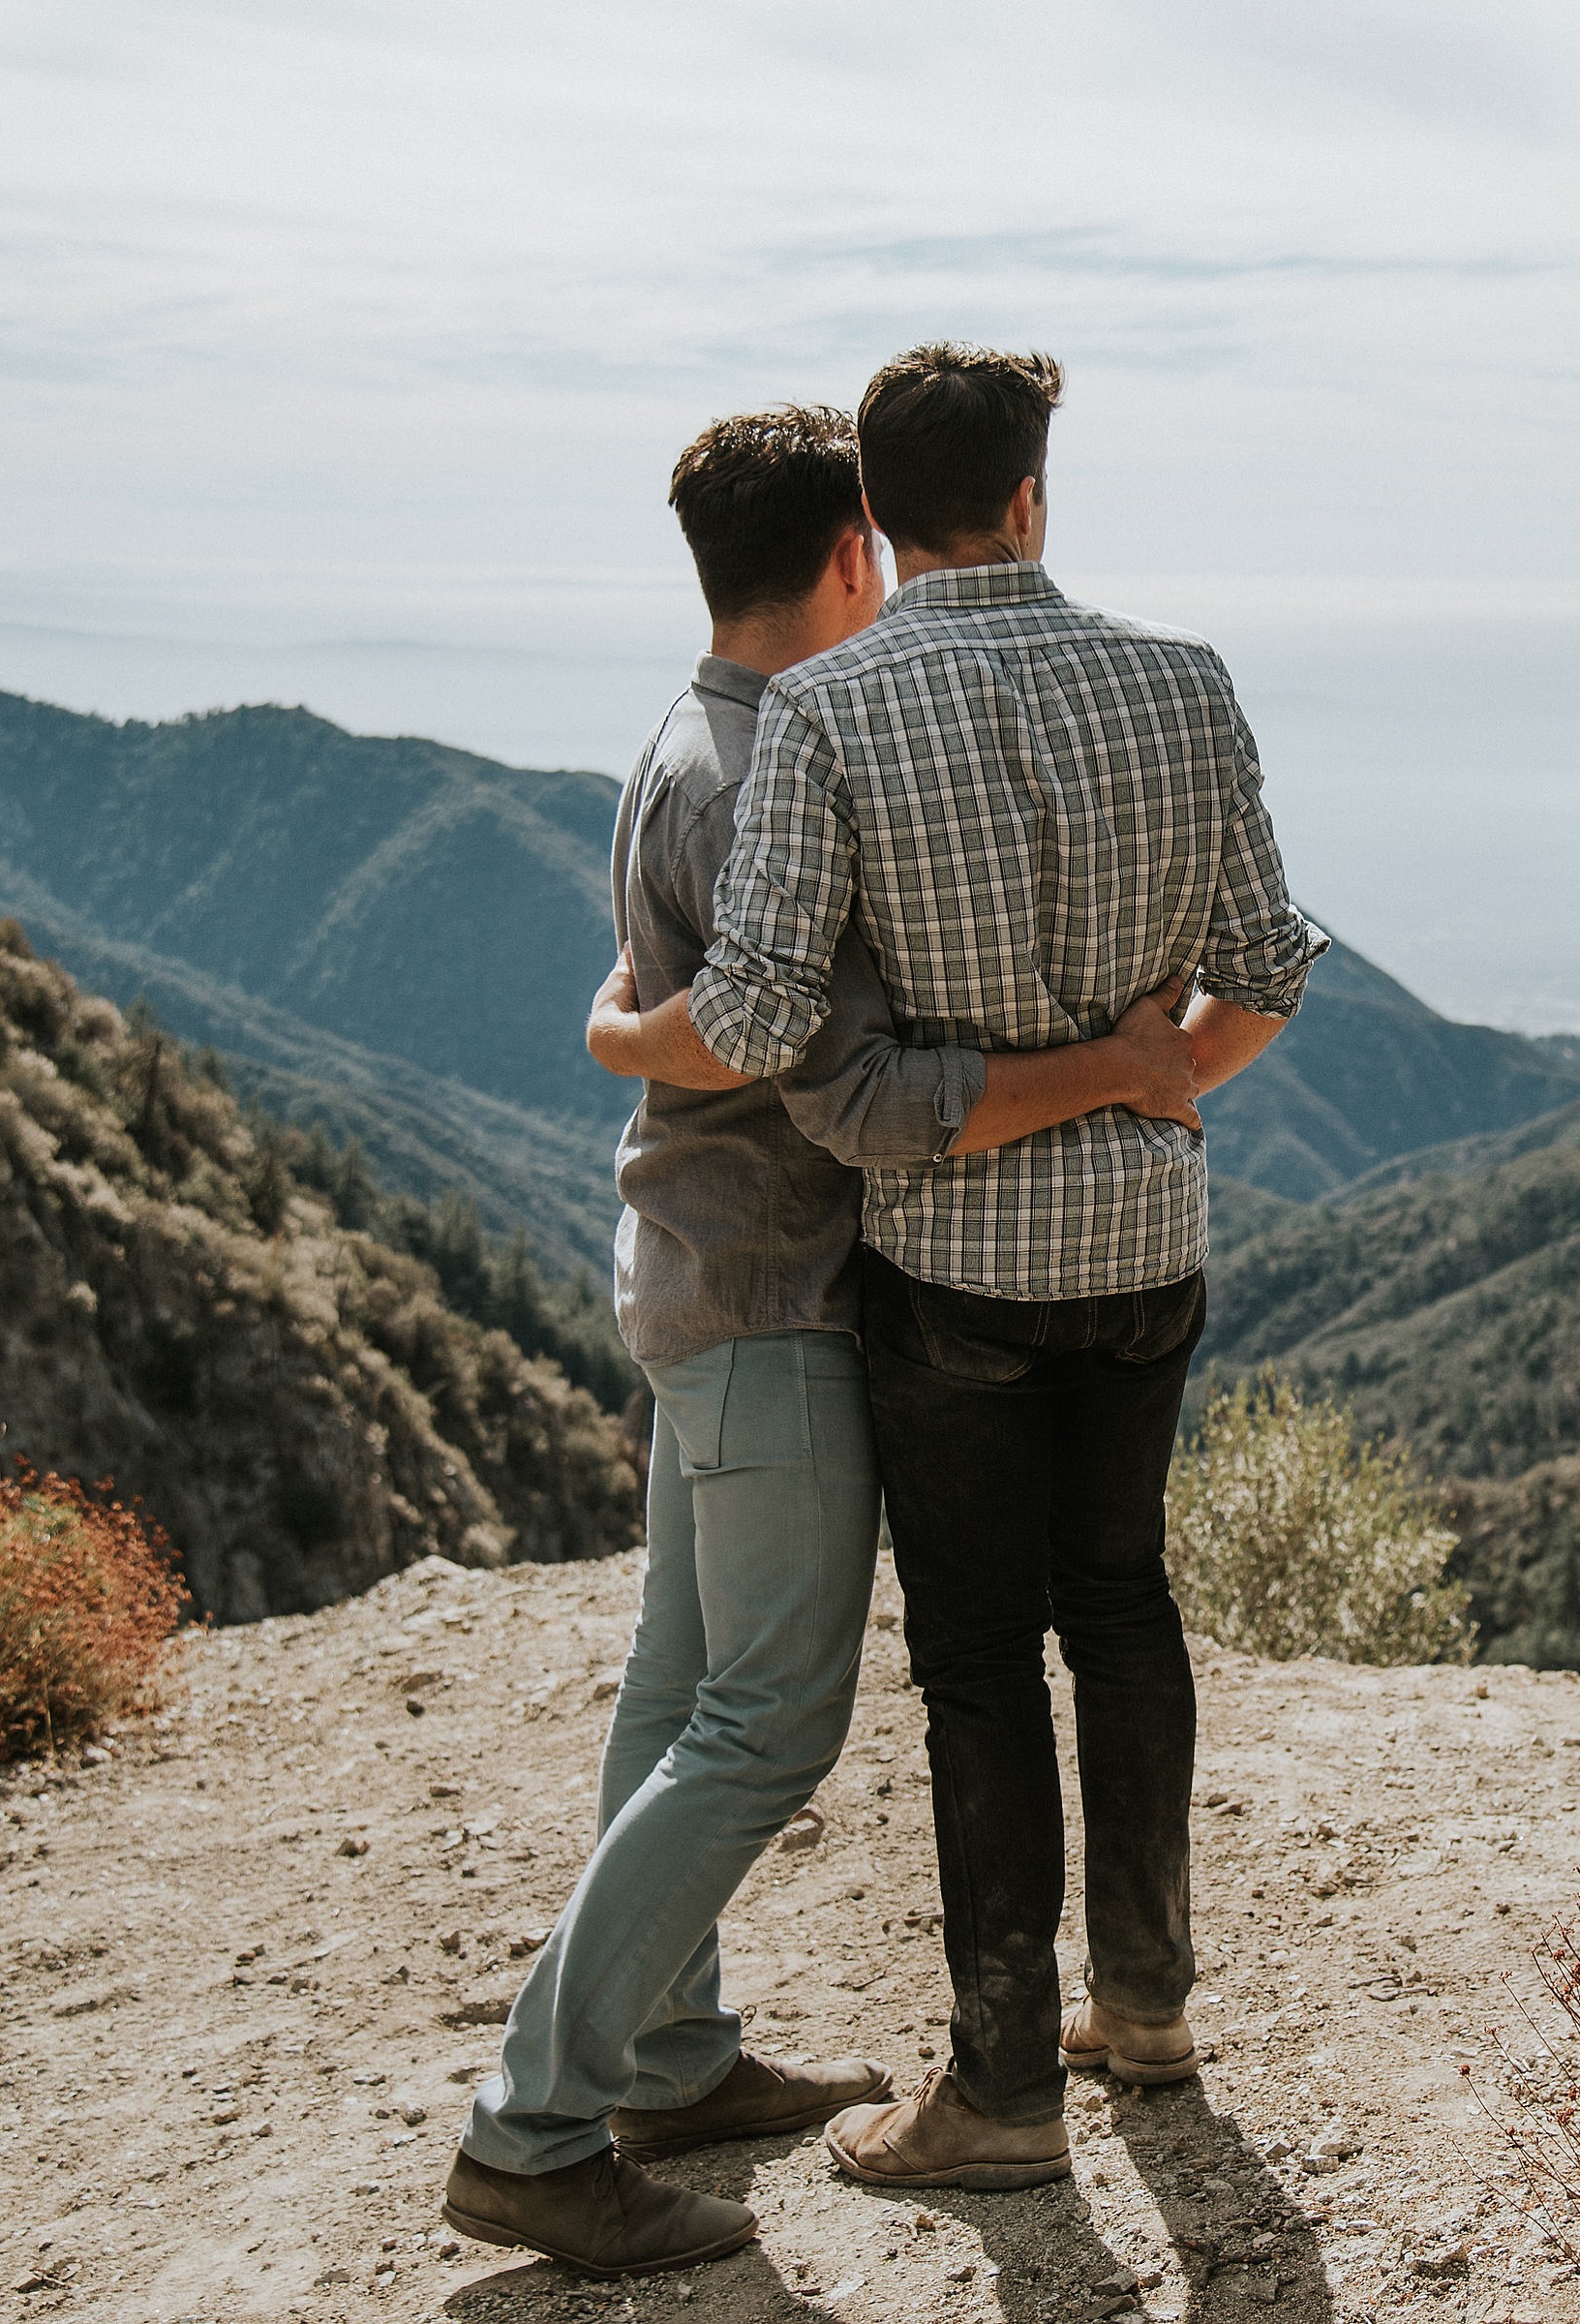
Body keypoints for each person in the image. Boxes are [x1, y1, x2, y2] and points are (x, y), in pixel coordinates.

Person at [441, 406, 1201, 2279]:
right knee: (768, 1722)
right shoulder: (782, 763)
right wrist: (1120, 1063)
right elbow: (816, 1059)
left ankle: (672, 2052)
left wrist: (624, 1035)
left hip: (689, 1275)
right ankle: (535, 2125)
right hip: (779, 1293)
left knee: (675, 1679)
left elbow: (682, 1015)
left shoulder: (677, 734)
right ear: (855, 555)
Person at [688, 345, 1326, 2191]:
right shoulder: (1183, 683)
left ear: (874, 519)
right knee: (1120, 1605)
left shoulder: (826, 716)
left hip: (949, 1262)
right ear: (1035, 496)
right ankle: (1145, 2010)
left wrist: (619, 1031)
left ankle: (1002, 2096)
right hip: (1148, 1238)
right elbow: (1270, 966)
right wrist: (1147, 1081)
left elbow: (755, 1016)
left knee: (977, 1663)